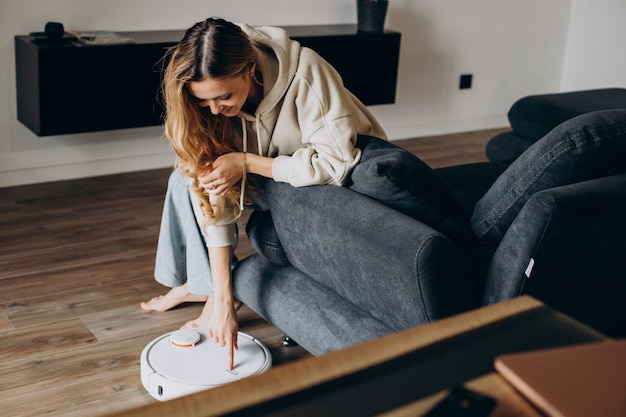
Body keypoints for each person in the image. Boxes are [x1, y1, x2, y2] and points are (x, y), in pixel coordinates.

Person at [140, 17, 386, 370]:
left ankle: (205, 287)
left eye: (224, 96)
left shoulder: (305, 72)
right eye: (203, 101)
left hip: (325, 182)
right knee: (188, 178)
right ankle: (204, 286)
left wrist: (246, 162)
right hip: (271, 173)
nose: (215, 110)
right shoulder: (208, 108)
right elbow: (216, 201)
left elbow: (336, 165)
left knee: (205, 177)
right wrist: (223, 297)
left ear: (250, 69)